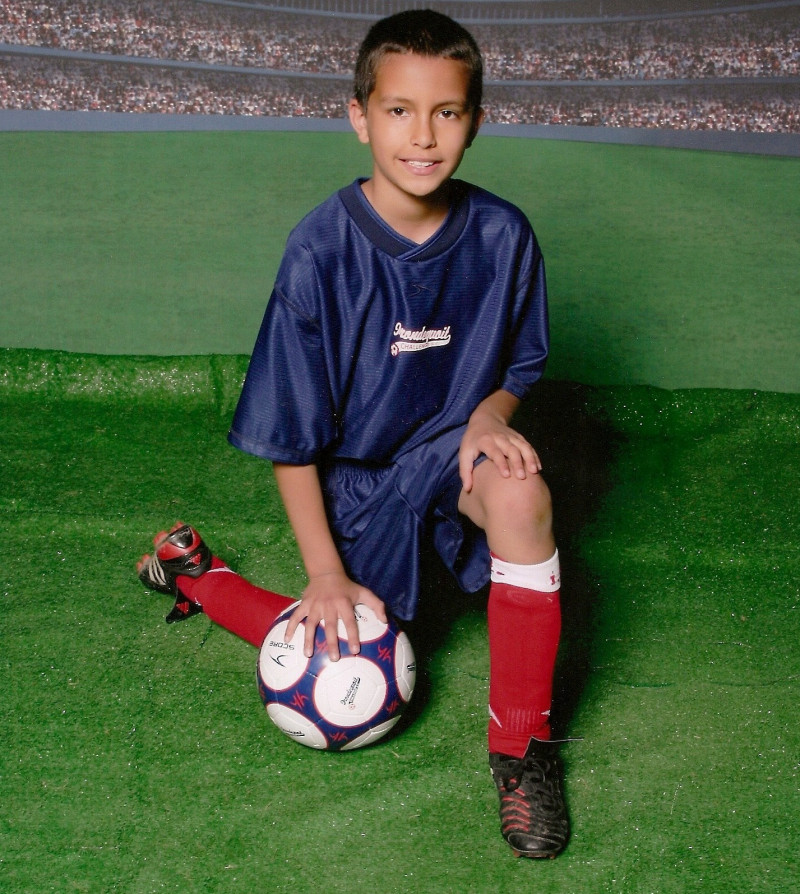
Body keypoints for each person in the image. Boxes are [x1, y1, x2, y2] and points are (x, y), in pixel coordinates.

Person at [138, 9, 569, 859]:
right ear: (360, 117)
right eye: (399, 110)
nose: (423, 134)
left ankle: (521, 748)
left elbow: (520, 364)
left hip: (453, 458)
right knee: (346, 644)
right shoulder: (320, 251)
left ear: (476, 120)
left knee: (523, 493)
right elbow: (291, 436)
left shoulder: (503, 235)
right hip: (360, 488)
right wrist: (327, 572)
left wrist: (490, 413)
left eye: (446, 112)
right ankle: (204, 579)